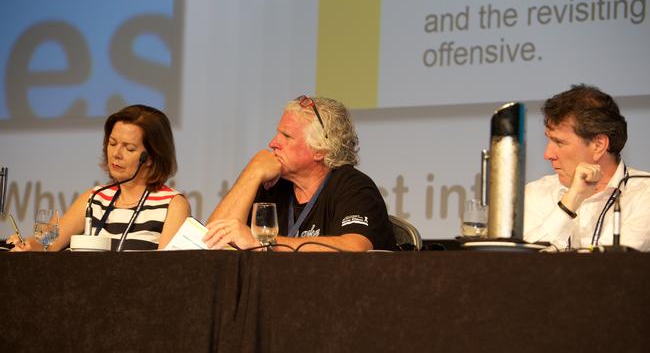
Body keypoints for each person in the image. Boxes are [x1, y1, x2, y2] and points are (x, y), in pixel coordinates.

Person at [203, 95, 395, 251]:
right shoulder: (273, 186)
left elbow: (354, 247)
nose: (273, 143)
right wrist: (252, 172)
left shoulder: (353, 187)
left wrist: (264, 243)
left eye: (286, 136)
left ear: (319, 150)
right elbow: (211, 242)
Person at [9, 105, 191, 251]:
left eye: (129, 148)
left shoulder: (172, 205)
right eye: (112, 143)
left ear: (151, 157)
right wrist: (27, 245)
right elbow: (48, 243)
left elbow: (168, 271)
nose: (116, 154)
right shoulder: (95, 198)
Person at [523, 84, 650, 251]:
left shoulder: (644, 195)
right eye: (549, 140)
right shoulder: (536, 193)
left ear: (598, 145)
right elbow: (523, 263)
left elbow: (615, 267)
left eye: (559, 142)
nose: (547, 154)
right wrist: (571, 199)